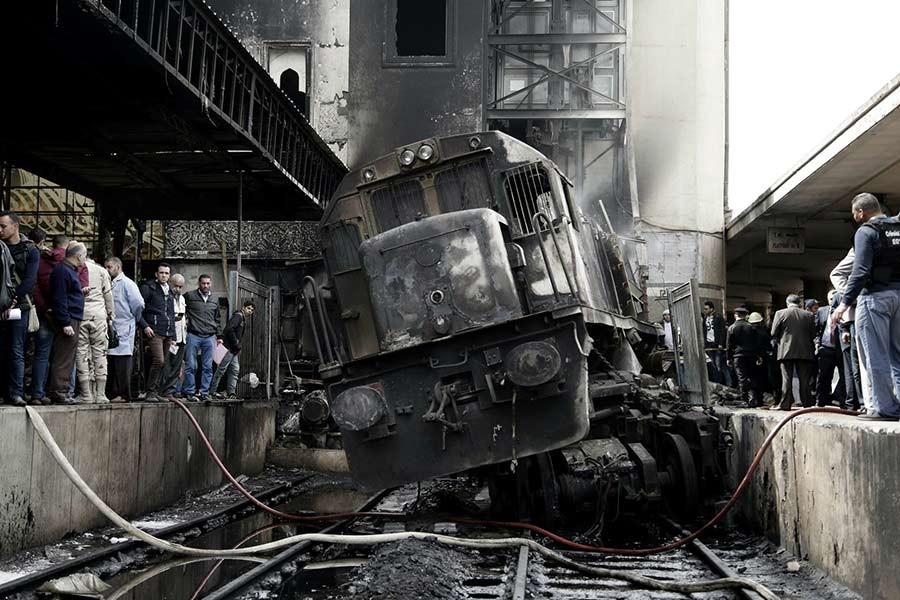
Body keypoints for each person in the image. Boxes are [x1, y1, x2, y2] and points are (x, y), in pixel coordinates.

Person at [831, 192, 900, 421]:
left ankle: (885, 409)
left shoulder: (866, 232)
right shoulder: (896, 228)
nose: (854, 217)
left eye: (854, 213)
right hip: (898, 296)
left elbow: (859, 272)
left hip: (875, 298)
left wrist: (843, 305)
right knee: (897, 356)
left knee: (875, 355)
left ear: (861, 212)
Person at [0, 211, 40, 407]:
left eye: (3, 226)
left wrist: (12, 301)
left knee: (16, 349)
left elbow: (30, 281)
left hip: (19, 307)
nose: (0, 230)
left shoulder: (30, 250)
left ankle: (16, 392)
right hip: (3, 306)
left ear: (15, 226)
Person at [30, 234, 70, 404]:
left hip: (44, 314)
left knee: (41, 355)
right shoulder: (68, 262)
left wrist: (45, 308)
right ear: (66, 246)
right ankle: (59, 392)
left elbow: (35, 288)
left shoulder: (39, 260)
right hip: (64, 315)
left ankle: (37, 394)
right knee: (64, 356)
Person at [47, 243, 87, 404]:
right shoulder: (63, 271)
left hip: (73, 317)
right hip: (68, 318)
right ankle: (59, 391)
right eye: (84, 255)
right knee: (64, 356)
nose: (85, 259)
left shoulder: (68, 270)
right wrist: (65, 322)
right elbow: (60, 298)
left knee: (68, 355)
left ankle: (62, 390)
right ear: (78, 256)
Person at [75, 258, 115, 403]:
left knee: (82, 353)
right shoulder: (102, 271)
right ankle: (100, 394)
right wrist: (111, 316)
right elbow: (109, 296)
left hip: (81, 315)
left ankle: (86, 394)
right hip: (98, 315)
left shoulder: (76, 268)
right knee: (100, 353)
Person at [830, 249, 865, 411]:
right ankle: (861, 402)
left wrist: (843, 328)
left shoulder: (842, 292)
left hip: (850, 327)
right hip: (852, 326)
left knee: (854, 367)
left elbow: (836, 274)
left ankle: (857, 402)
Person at [105, 257, 144, 402]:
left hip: (124, 325)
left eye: (109, 267)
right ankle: (112, 393)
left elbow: (139, 304)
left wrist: (133, 317)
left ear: (118, 267)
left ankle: (124, 394)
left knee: (123, 363)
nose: (107, 270)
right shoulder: (109, 282)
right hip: (112, 326)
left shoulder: (127, 283)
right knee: (112, 362)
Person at [770, 294, 816, 410]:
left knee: (786, 378)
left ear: (787, 303)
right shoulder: (809, 315)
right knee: (804, 379)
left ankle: (785, 404)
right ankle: (807, 403)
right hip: (805, 350)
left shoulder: (780, 313)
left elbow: (773, 332)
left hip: (786, 350)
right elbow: (813, 334)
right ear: (799, 303)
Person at [138, 263, 175, 401]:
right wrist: (145, 326)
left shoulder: (170, 291)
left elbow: (171, 313)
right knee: (158, 360)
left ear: (169, 275)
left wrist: (173, 334)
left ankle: (156, 391)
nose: (164, 275)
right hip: (154, 330)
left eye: (166, 273)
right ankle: (150, 392)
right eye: (161, 273)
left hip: (167, 331)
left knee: (163, 362)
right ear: (156, 274)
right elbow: (138, 309)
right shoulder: (148, 288)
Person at [182, 274, 221, 401]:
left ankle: (205, 392)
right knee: (191, 365)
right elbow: (179, 306)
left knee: (207, 367)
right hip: (193, 335)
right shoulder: (189, 296)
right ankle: (190, 391)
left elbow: (218, 318)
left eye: (208, 283)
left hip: (210, 336)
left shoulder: (215, 299)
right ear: (199, 284)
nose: (206, 286)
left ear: (211, 284)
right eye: (203, 283)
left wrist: (219, 335)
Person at [211, 299, 255, 399]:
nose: (250, 311)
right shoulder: (238, 316)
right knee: (221, 370)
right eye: (248, 308)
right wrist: (235, 342)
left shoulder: (241, 318)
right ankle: (212, 391)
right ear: (243, 307)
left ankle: (231, 393)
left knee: (234, 370)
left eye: (252, 310)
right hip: (229, 348)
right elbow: (229, 329)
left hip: (233, 350)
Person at [726, 307, 763, 407]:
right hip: (751, 355)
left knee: (742, 378)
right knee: (753, 377)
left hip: (738, 356)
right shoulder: (751, 327)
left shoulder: (732, 328)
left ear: (735, 315)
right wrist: (758, 355)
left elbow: (729, 345)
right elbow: (756, 343)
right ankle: (756, 399)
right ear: (745, 315)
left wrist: (728, 358)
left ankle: (744, 400)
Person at [814, 290, 845, 408]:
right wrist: (817, 343)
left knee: (844, 376)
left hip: (840, 348)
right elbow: (817, 329)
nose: (833, 301)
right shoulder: (822, 311)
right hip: (826, 348)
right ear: (828, 300)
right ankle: (821, 401)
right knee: (824, 376)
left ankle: (842, 401)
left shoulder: (843, 310)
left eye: (835, 298)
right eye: (831, 299)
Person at [159, 273, 187, 397]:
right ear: (171, 284)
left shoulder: (182, 299)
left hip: (181, 336)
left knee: (177, 365)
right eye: (176, 286)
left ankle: (171, 390)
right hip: (170, 336)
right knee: (166, 364)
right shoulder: (166, 296)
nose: (178, 289)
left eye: (181, 287)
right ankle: (162, 390)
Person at [702, 301, 729, 386]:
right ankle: (716, 382)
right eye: (704, 309)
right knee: (712, 364)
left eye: (706, 309)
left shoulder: (718, 317)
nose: (705, 311)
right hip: (709, 344)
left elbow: (722, 331)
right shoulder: (706, 318)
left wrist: (720, 343)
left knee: (718, 365)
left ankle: (720, 383)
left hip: (717, 345)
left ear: (711, 309)